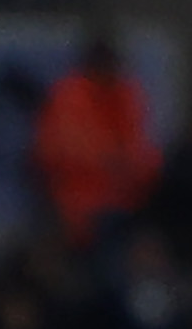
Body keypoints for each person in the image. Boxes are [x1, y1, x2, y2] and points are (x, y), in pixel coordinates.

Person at [33, 27, 160, 247]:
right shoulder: (68, 96)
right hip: (80, 207)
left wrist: (131, 167)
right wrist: (110, 161)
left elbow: (142, 149)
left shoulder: (126, 94)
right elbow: (56, 151)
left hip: (129, 201)